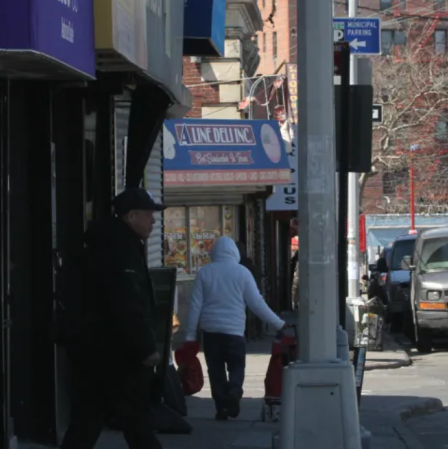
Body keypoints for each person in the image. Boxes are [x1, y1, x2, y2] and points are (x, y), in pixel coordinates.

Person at [60, 187, 165, 449]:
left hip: (95, 347)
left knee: (88, 418)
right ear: (131, 217)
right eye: (149, 215)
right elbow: (126, 303)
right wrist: (145, 347)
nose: (153, 221)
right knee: (138, 421)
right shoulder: (120, 250)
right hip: (116, 353)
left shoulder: (108, 244)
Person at [183, 236, 285, 421]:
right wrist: (279, 324)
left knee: (215, 371)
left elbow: (195, 306)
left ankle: (221, 408)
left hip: (211, 332)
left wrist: (190, 336)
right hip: (235, 332)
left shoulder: (205, 273)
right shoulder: (242, 273)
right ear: (235, 253)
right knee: (237, 367)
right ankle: (235, 390)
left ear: (214, 253)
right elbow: (257, 304)